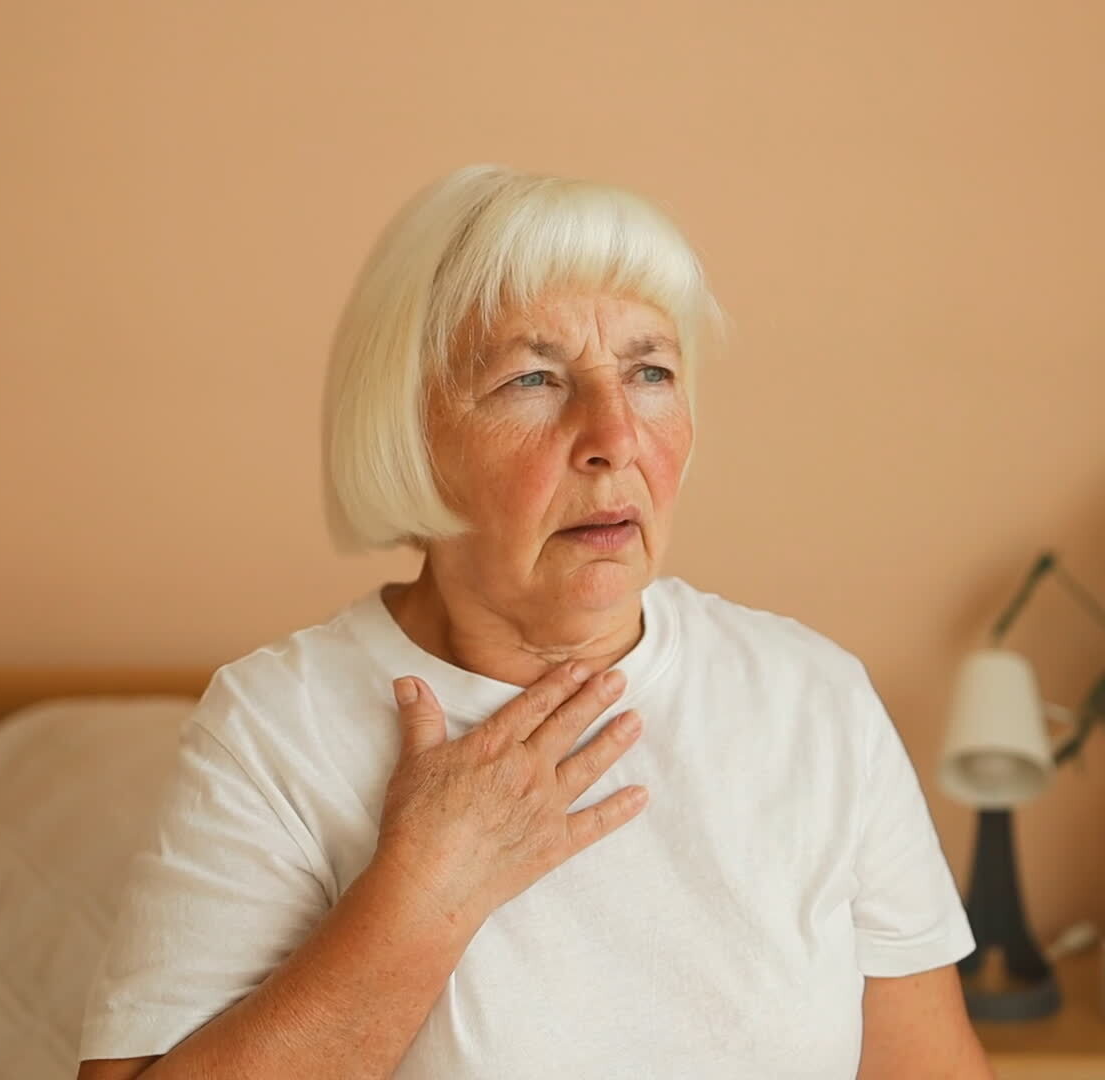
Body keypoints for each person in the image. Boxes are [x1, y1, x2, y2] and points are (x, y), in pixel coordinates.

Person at [75, 163, 992, 1079]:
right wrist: (426, 894)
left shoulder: (812, 698)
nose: (616, 436)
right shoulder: (274, 729)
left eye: (651, 372)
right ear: (410, 429)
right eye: (533, 379)